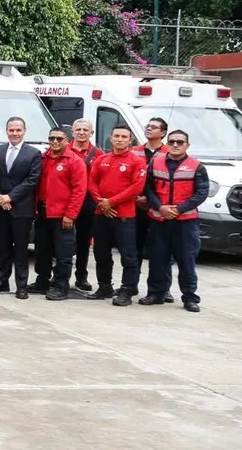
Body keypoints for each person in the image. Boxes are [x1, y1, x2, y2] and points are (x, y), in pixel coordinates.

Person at [142, 129, 208, 312]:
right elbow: (147, 189)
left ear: (187, 145)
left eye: (180, 142)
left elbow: (201, 193)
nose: (176, 145)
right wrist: (160, 207)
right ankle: (156, 293)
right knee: (157, 259)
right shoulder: (155, 162)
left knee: (186, 261)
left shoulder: (197, 166)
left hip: (185, 222)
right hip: (159, 219)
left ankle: (189, 298)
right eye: (172, 141)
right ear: (167, 143)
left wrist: (178, 209)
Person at [86, 125, 146, 306]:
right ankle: (105, 285)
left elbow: (137, 187)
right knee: (100, 252)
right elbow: (92, 182)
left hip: (124, 216)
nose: (120, 139)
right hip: (101, 213)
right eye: (117, 136)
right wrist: (101, 202)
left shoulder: (137, 162)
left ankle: (127, 289)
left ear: (130, 141)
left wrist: (111, 202)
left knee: (128, 254)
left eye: (124, 137)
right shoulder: (101, 159)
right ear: (110, 139)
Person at [32, 127, 88, 301]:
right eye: (52, 138)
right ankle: (42, 281)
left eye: (59, 139)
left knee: (63, 253)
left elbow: (79, 190)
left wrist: (70, 215)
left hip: (62, 215)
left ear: (67, 140)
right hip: (42, 212)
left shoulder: (74, 160)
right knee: (42, 250)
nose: (55, 142)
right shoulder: (43, 158)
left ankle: (60, 285)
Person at [0, 117, 42, 299]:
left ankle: (21, 285)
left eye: (18, 130)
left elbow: (32, 180)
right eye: (11, 130)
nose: (15, 133)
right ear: (6, 131)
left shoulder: (34, 154)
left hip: (21, 209)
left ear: (24, 131)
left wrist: (10, 197)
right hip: (0, 207)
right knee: (3, 248)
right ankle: (2, 282)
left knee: (21, 249)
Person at [67, 119, 100, 294]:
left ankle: (81, 276)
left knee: (83, 242)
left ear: (91, 133)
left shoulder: (98, 154)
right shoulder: (63, 150)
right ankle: (59, 275)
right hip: (66, 201)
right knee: (62, 241)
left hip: (88, 203)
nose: (81, 132)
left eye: (85, 130)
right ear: (72, 132)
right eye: (78, 129)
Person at [135, 117, 169, 270]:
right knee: (133, 248)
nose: (149, 128)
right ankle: (130, 286)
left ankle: (162, 289)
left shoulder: (169, 153)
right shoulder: (134, 151)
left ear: (162, 133)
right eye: (148, 126)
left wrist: (151, 199)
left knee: (161, 250)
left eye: (154, 127)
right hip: (135, 206)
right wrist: (136, 197)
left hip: (158, 206)